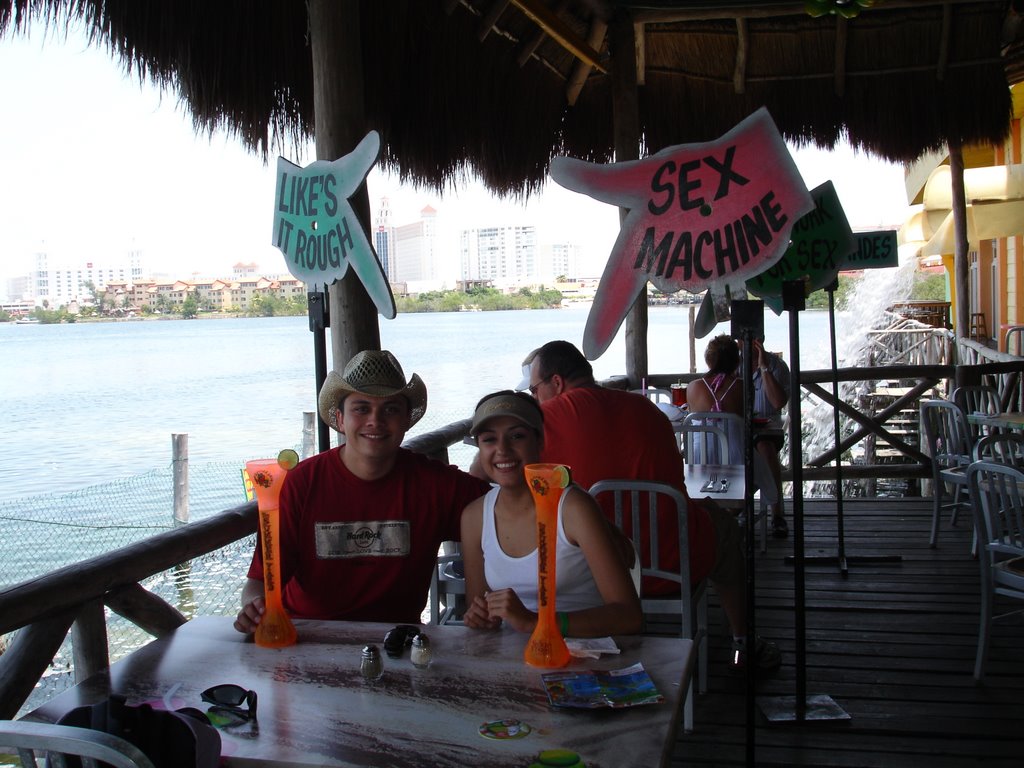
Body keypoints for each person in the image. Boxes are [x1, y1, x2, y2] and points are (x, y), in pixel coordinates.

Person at [515, 340, 781, 672]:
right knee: (726, 530)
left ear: (556, 383)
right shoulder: (647, 409)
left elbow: (491, 470)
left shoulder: (542, 421)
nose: (534, 399)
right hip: (673, 564)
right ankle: (743, 642)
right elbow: (675, 480)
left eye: (535, 390)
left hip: (593, 575)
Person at [234, 349, 490, 634]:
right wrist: (254, 606)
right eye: (361, 408)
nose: (375, 421)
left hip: (398, 639)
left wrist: (497, 453)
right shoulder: (300, 484)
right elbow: (258, 581)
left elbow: (507, 511)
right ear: (341, 419)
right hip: (306, 635)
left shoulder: (436, 484)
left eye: (391, 409)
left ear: (407, 420)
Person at [461, 390, 642, 637]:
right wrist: (479, 616)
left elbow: (628, 616)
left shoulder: (573, 508)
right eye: (489, 440)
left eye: (517, 436)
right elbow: (479, 607)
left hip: (587, 655)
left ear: (540, 442)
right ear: (479, 450)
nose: (502, 449)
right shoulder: (474, 517)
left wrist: (537, 623)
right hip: (515, 658)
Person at [738, 335, 791, 538]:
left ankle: (777, 514)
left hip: (768, 430)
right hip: (740, 429)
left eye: (753, 338)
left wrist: (764, 368)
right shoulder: (733, 365)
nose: (748, 342)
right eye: (743, 339)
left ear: (761, 339)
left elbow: (778, 403)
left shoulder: (777, 366)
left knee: (765, 448)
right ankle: (735, 506)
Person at [686, 334, 744, 463]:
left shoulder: (693, 387)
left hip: (700, 456)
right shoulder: (743, 386)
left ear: (708, 360)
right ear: (736, 361)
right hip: (736, 455)